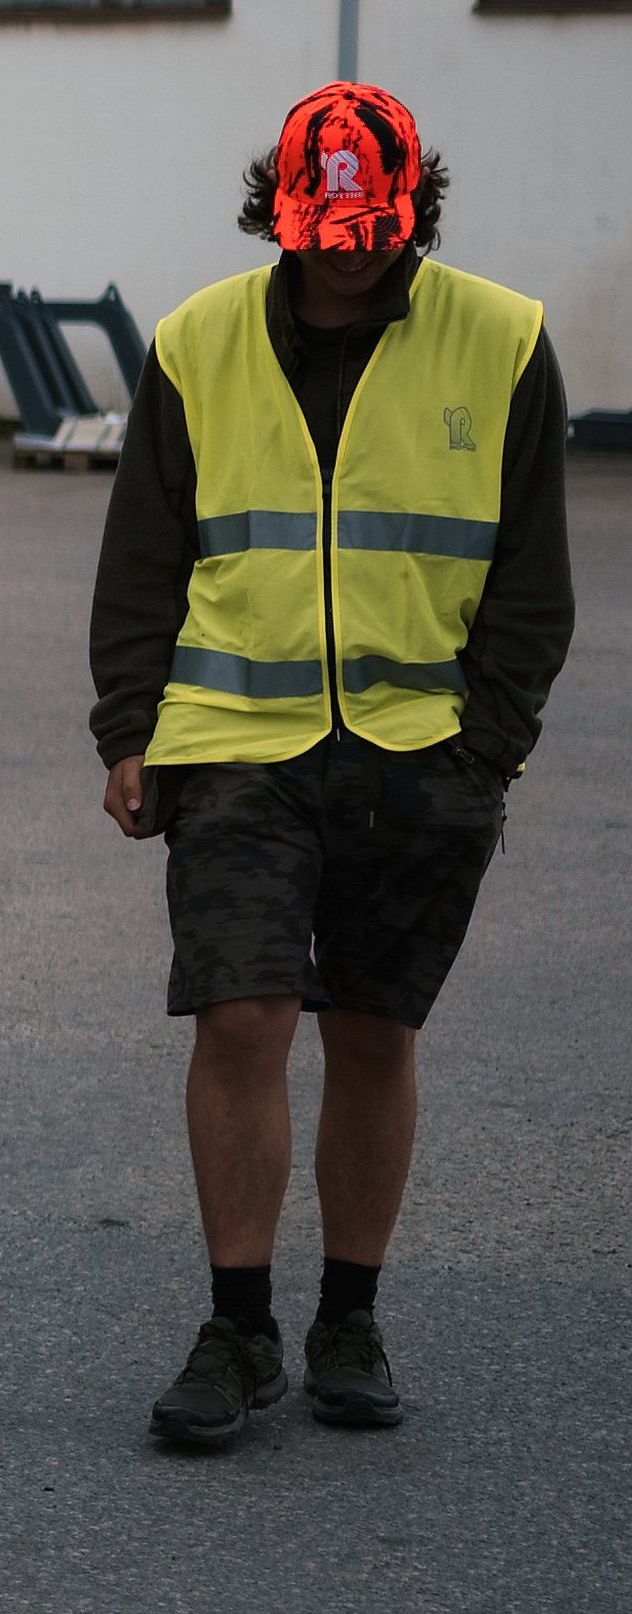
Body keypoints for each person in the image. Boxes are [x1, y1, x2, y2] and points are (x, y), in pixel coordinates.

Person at [89, 82, 571, 1451]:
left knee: (370, 1030)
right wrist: (127, 725)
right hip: (236, 743)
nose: (349, 258)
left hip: (425, 752)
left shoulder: (502, 338)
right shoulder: (197, 341)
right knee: (240, 1016)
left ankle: (347, 1315)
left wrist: (489, 747)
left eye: (374, 233)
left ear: (413, 212)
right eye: (324, 236)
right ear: (277, 215)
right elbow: (144, 551)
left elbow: (533, 573)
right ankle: (237, 1327)